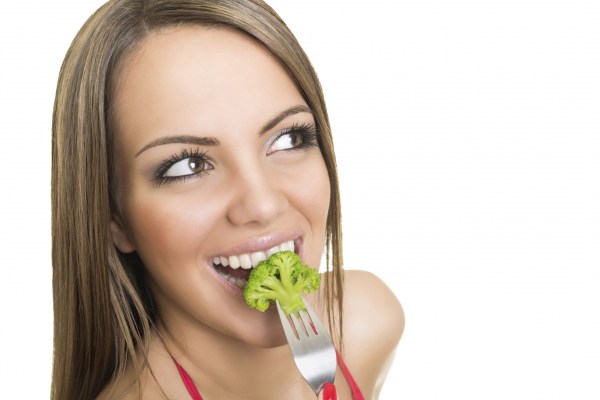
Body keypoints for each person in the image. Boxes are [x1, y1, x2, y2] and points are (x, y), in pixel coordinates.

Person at [51, 0, 404, 399]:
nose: (263, 205)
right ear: (114, 218)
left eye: (288, 139)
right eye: (188, 165)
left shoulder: (364, 322)